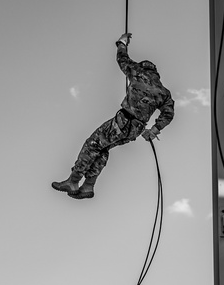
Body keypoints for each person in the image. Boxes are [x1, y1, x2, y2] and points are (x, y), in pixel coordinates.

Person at [51, 32, 174, 199]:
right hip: (135, 130)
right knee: (103, 148)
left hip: (123, 121)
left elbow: (122, 59)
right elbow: (169, 114)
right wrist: (153, 130)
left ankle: (73, 181)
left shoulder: (138, 72)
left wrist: (122, 43)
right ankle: (88, 186)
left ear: (144, 67)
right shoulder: (164, 92)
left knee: (93, 143)